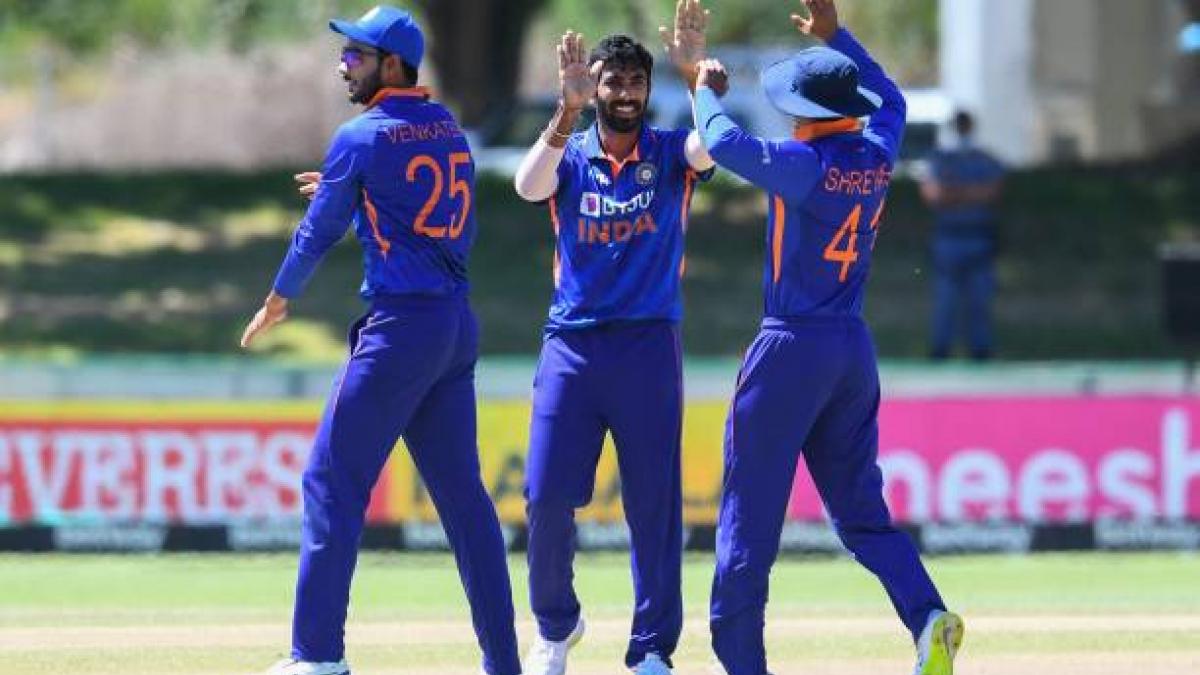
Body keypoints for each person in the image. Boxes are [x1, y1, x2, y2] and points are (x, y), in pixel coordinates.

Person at [239, 6, 521, 675]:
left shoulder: (361, 137)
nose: (344, 66)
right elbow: (426, 215)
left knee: (330, 481)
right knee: (465, 502)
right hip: (453, 326)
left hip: (400, 331)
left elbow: (316, 233)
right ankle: (504, 662)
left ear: (392, 65)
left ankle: (317, 656)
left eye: (356, 56)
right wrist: (353, 193)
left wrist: (279, 296)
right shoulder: (449, 129)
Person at [689, 1, 963, 674]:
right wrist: (839, 38)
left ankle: (742, 661)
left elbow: (722, 143)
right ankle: (926, 614)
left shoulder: (804, 164)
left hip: (790, 348)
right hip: (850, 351)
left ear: (805, 112)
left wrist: (701, 84)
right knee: (861, 513)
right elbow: (892, 98)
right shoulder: (877, 153)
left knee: (749, 516)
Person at [510, 2, 715, 673]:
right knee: (545, 496)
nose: (625, 93)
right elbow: (526, 187)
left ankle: (651, 647)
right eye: (613, 81)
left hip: (648, 345)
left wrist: (695, 79)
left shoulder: (670, 152)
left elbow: (714, 145)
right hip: (572, 345)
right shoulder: (570, 155)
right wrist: (564, 114)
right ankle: (555, 626)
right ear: (591, 87)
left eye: (636, 82)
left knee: (653, 504)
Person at [919, 109, 1005, 361]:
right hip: (948, 239)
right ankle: (940, 349)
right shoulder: (940, 159)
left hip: (978, 237)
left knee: (980, 299)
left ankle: (981, 349)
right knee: (945, 300)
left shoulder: (984, 158)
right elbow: (933, 195)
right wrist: (971, 193)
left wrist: (954, 193)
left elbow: (992, 193)